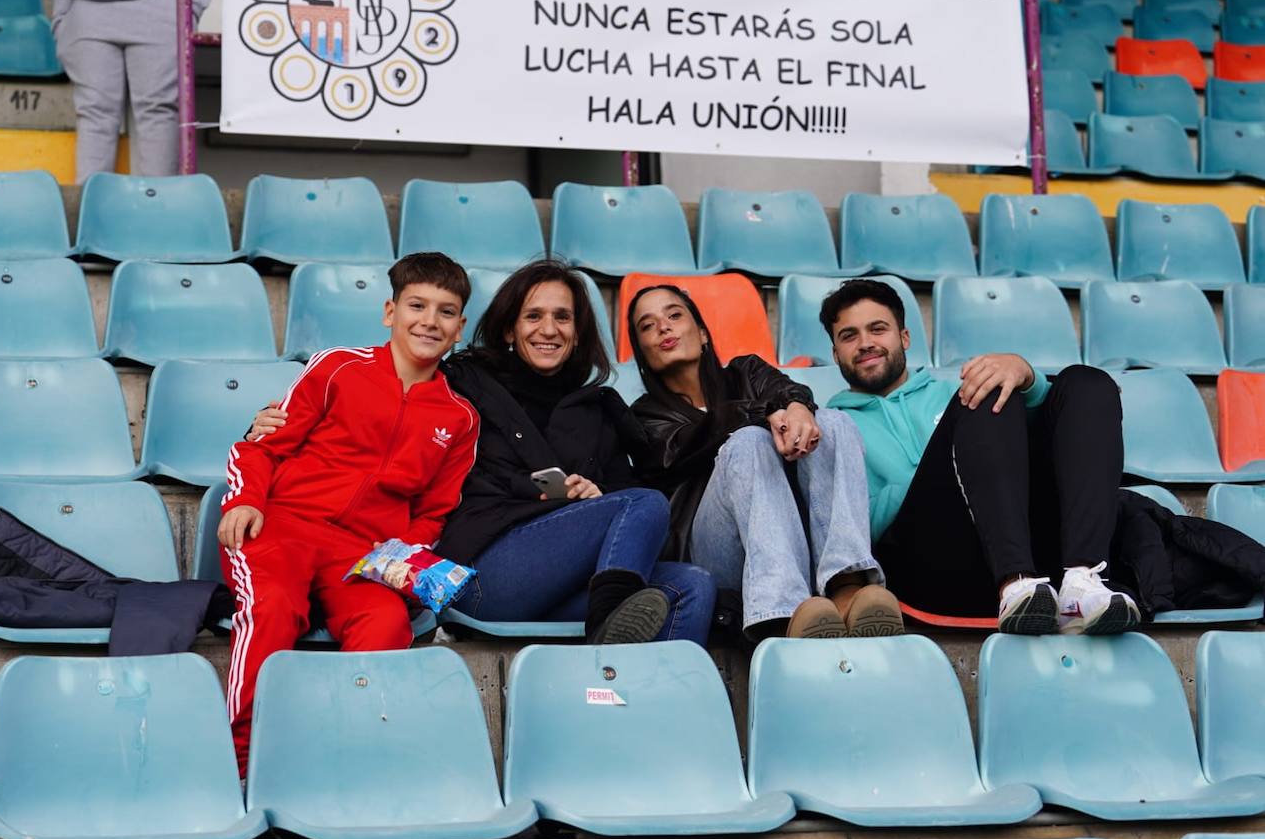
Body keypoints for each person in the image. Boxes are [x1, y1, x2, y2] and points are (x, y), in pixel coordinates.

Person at [251, 260, 715, 645]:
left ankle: (647, 707)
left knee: (691, 584)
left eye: (562, 317)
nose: (548, 329)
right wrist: (263, 427)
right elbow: (390, 422)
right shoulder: (464, 384)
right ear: (510, 328)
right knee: (642, 505)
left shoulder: (600, 408)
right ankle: (607, 631)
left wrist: (597, 493)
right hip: (486, 569)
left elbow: (625, 497)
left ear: (578, 331)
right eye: (533, 316)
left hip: (573, 579)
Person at [218, 252, 479, 774]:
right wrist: (246, 499)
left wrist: (404, 558)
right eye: (417, 305)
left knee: (386, 624)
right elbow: (261, 448)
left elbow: (434, 511)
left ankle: (348, 760)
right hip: (282, 528)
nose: (429, 321)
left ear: (460, 328)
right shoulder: (337, 368)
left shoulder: (460, 417)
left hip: (364, 556)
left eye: (445, 312)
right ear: (390, 311)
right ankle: (241, 762)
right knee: (272, 608)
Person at [818, 278, 1140, 636]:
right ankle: (1014, 582)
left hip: (1024, 544)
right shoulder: (833, 426)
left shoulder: (948, 391)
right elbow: (850, 529)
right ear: (835, 354)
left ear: (904, 338)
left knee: (1085, 383)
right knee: (982, 394)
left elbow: (1051, 431)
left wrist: (1025, 374)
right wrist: (951, 463)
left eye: (877, 329)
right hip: (929, 565)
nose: (865, 343)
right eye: (849, 336)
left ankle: (1083, 582)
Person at [625, 285, 902, 640]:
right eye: (648, 326)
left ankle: (846, 584)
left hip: (797, 544)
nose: (663, 327)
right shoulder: (645, 416)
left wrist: (799, 408)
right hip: (717, 557)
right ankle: (783, 612)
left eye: (674, 315)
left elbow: (786, 391)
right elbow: (691, 442)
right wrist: (768, 412)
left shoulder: (746, 372)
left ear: (704, 333)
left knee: (831, 423)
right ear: (642, 353)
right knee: (749, 442)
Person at [52, 0, 213, 180]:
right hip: (90, 13)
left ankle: (156, 211)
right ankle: (89, 211)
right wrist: (62, 20)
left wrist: (188, 14)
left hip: (160, 11)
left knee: (157, 114)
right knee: (96, 116)